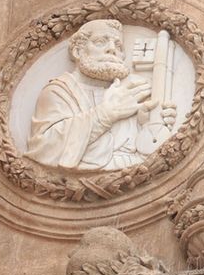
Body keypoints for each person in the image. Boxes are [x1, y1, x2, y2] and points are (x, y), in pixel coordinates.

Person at [25, 20, 174, 171]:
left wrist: (147, 126)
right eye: (100, 42)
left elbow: (136, 152)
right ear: (78, 51)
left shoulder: (124, 94)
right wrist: (106, 114)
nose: (112, 49)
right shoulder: (59, 91)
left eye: (118, 46)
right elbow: (44, 150)